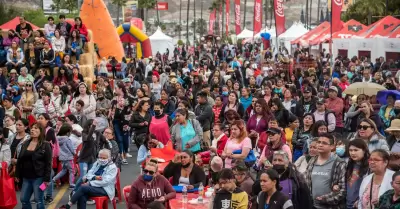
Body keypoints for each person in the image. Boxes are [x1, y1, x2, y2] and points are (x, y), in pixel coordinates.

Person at [16, 123, 52, 209]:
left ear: (41, 131)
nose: (32, 130)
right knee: (24, 199)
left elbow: (48, 163)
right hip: (26, 177)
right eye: (32, 128)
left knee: (38, 199)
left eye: (36, 128)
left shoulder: (45, 145)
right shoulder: (25, 143)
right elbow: (20, 160)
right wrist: (17, 174)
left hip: (39, 177)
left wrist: (46, 179)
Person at [305, 133, 347, 209]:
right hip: (313, 206)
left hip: (331, 206)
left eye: (324, 143)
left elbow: (343, 190)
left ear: (332, 146)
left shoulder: (339, 163)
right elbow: (307, 183)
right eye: (319, 142)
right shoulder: (312, 161)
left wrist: (325, 199)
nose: (320, 145)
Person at [345, 138, 370, 209]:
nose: (352, 153)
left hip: (360, 204)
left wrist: (360, 200)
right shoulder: (347, 164)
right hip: (347, 203)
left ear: (364, 151)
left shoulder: (370, 166)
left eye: (356, 150)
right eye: (350, 150)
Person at [52, 123, 76, 189]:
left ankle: (53, 179)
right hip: (69, 157)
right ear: (68, 132)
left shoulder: (57, 139)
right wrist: (75, 153)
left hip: (61, 157)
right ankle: (71, 184)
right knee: (72, 171)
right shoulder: (67, 140)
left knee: (63, 170)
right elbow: (71, 149)